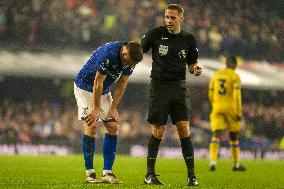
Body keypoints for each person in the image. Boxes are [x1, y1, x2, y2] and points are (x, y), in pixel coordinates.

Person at [141, 4, 202, 186]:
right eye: (166, 17)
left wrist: (195, 69)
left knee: (184, 129)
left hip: (179, 88)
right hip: (159, 88)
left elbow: (192, 64)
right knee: (158, 131)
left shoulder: (189, 39)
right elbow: (138, 50)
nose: (168, 20)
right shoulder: (155, 34)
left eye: (172, 18)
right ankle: (149, 175)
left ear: (181, 18)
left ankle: (192, 176)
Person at [74, 41, 143, 184]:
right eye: (128, 61)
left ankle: (107, 173)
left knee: (113, 126)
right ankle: (90, 173)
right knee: (92, 125)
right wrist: (96, 108)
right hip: (85, 86)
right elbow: (97, 81)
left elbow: (122, 83)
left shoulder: (132, 59)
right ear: (124, 53)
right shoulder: (109, 54)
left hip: (103, 89)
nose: (129, 65)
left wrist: (112, 108)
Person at [208, 56, 246, 171]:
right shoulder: (235, 76)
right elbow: (237, 96)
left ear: (226, 64)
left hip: (217, 106)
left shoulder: (216, 74)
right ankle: (236, 164)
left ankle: (213, 162)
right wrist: (238, 113)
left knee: (216, 135)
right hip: (230, 108)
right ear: (235, 65)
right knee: (233, 136)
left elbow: (210, 92)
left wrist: (215, 104)